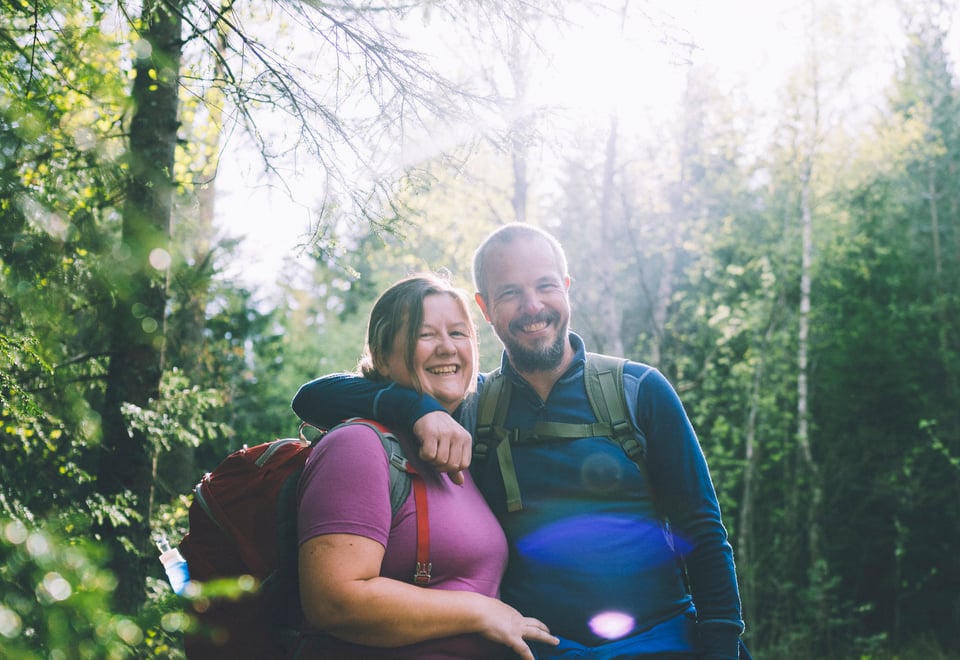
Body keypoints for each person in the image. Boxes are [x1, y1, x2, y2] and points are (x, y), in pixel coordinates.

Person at [293, 225, 748, 659]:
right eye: (510, 293)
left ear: (567, 287)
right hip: (535, 649)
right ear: (486, 307)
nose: (533, 306)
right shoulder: (470, 407)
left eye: (545, 286)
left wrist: (723, 647)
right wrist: (418, 410)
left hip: (659, 641)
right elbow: (313, 397)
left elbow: (704, 533)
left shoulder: (638, 391)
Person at [294, 273, 558, 659]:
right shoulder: (359, 445)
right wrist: (480, 609)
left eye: (458, 333)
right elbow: (334, 600)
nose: (446, 348)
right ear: (382, 357)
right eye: (425, 334)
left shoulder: (465, 434)